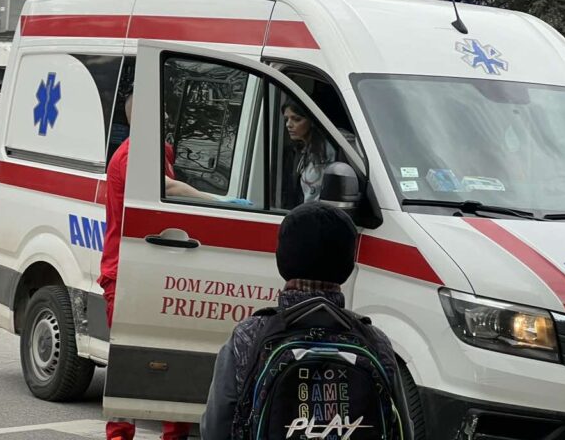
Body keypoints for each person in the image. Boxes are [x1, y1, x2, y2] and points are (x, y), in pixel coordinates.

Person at [201, 201, 410, 439]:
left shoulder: (249, 337)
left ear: (282, 257)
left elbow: (215, 429)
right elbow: (403, 430)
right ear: (348, 263)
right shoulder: (375, 342)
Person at [99, 92, 191, 440]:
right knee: (128, 363)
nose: (164, 117)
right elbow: (167, 188)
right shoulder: (130, 155)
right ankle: (120, 435)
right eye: (156, 111)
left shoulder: (159, 151)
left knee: (170, 357)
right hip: (126, 272)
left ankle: (175, 432)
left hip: (152, 268)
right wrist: (221, 201)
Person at [281, 100, 337, 208]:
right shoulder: (302, 150)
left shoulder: (324, 151)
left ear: (312, 120)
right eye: (286, 119)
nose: (288, 124)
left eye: (297, 119)